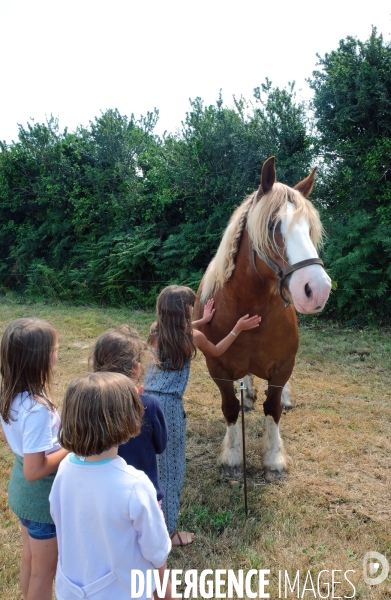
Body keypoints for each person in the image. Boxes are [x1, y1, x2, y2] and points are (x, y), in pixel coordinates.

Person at [144, 285, 261, 546]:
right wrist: (237, 329)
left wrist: (203, 320)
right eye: (191, 306)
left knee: (152, 464)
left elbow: (180, 327)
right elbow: (217, 350)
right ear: (184, 311)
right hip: (168, 407)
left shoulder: (156, 330)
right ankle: (170, 532)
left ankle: (153, 516)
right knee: (173, 469)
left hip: (145, 401)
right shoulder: (192, 337)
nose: (194, 309)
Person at [49, 372, 172, 600]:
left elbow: (58, 516)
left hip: (72, 590)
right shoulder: (134, 485)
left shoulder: (65, 467)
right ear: (125, 420)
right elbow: (156, 551)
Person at [0, 318, 68, 600]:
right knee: (44, 572)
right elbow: (34, 469)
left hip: (22, 496)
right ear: (37, 359)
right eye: (53, 349)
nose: (57, 354)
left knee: (30, 559)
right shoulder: (36, 409)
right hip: (40, 499)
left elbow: (7, 437)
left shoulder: (9, 394)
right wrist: (72, 447)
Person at [91, 325, 167, 504]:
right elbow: (161, 445)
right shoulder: (149, 405)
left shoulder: (88, 404)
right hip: (143, 495)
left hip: (102, 497)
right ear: (137, 369)